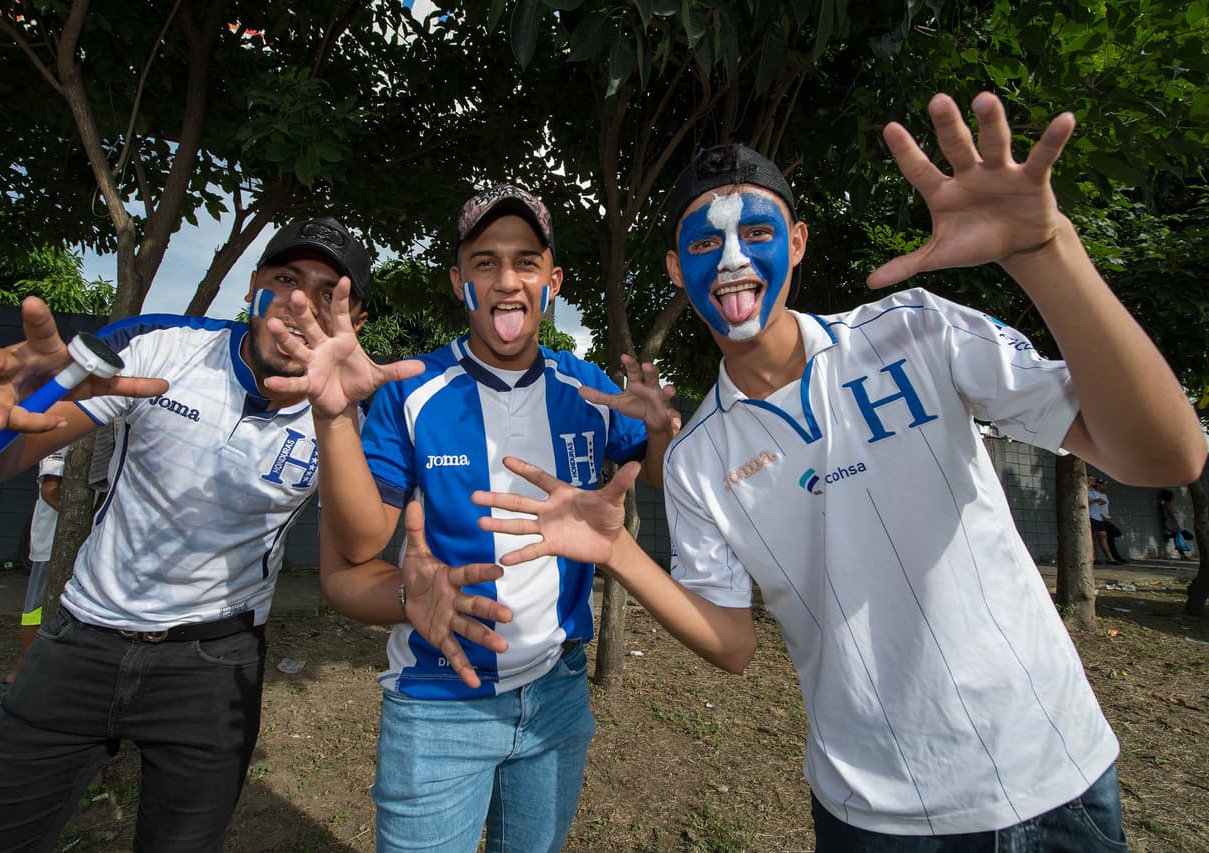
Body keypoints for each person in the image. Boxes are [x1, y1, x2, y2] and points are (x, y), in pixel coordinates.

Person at [470, 92, 1207, 851]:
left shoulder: (915, 329)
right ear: (673, 266)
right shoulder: (697, 460)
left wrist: (1045, 251)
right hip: (873, 816)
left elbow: (1167, 455)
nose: (731, 260)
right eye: (702, 244)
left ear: (796, 242)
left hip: (1054, 778)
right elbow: (732, 643)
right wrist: (619, 552)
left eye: (756, 232)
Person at [0, 216, 417, 852]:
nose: (300, 305)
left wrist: (334, 415)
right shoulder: (160, 345)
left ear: (353, 321)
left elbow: (361, 545)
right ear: (252, 285)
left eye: (329, 295)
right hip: (78, 642)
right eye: (287, 279)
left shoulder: (358, 408)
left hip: (213, 665)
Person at [265, 185, 678, 851]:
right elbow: (365, 538)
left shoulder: (587, 386)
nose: (507, 279)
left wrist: (660, 433)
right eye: (484, 262)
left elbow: (651, 470)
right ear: (460, 281)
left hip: (558, 695)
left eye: (526, 261)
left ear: (553, 281)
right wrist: (335, 416)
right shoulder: (412, 386)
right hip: (438, 702)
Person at [2, 449, 65, 690]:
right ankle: (24, 665)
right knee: (37, 606)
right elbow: (50, 491)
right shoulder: (67, 442)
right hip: (52, 541)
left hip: (73, 543)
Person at [1089, 475, 1123, 564]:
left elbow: (1099, 504)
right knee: (1092, 538)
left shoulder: (1094, 492)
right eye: (1092, 480)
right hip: (1091, 516)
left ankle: (1110, 558)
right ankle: (1092, 558)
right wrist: (1095, 501)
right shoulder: (1085, 490)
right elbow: (1084, 502)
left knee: (1103, 537)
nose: (1094, 482)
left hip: (1098, 518)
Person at [1159, 488, 1194, 559]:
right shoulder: (1168, 504)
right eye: (1173, 496)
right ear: (1170, 497)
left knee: (1177, 537)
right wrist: (1177, 525)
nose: (1174, 498)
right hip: (1171, 524)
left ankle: (1183, 555)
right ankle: (1169, 536)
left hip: (1170, 523)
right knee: (1188, 536)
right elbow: (1171, 515)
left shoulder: (1165, 504)